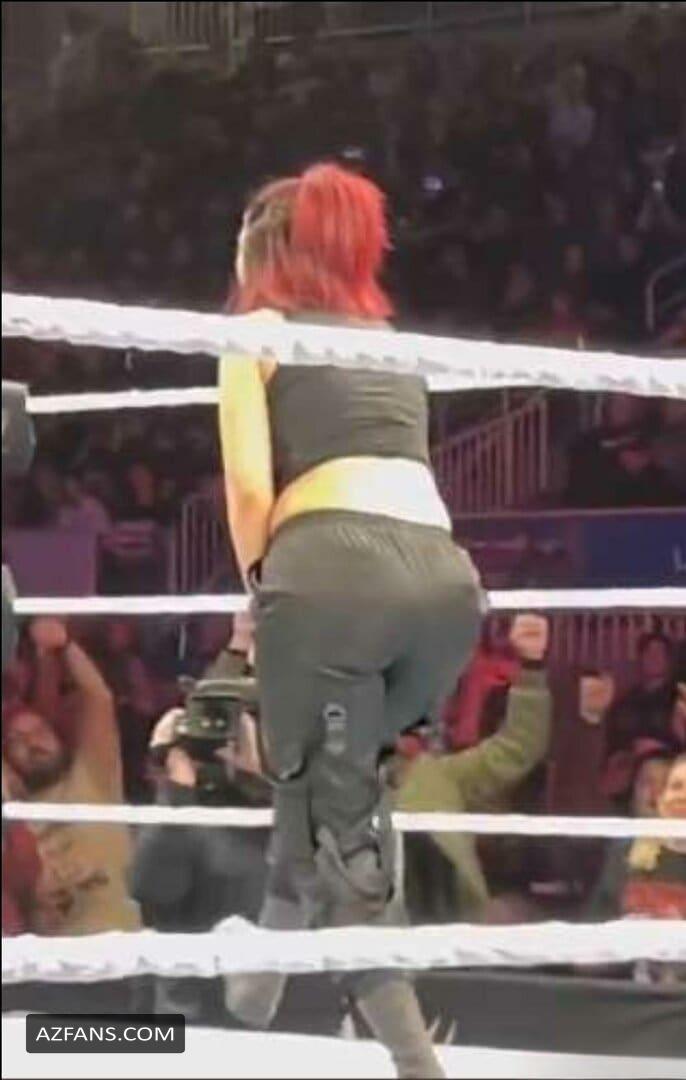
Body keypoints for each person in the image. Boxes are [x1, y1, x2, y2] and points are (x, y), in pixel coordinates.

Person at [218, 163, 484, 1079]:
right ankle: (258, 977)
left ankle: (416, 1064)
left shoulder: (253, 331)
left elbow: (248, 487)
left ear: (259, 250)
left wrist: (267, 591)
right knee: (331, 791)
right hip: (445, 590)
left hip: (332, 579)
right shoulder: (388, 342)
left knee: (346, 845)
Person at [395, 614, 551, 922]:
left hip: (450, 925)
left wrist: (532, 667)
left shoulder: (435, 775)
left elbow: (518, 747)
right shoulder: (334, 786)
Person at [2, 618, 140, 937]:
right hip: (53, 958)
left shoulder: (92, 775)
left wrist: (64, 644)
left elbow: (98, 697)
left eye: (38, 731)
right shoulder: (12, 820)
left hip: (123, 947)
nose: (32, 743)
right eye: (16, 741)